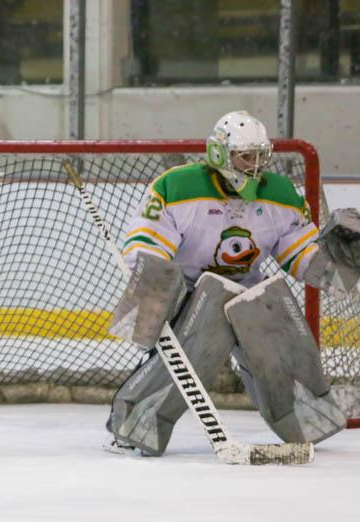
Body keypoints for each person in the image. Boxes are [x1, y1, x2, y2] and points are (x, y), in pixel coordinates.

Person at [106, 110, 351, 456]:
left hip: (248, 286)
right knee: (206, 323)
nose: (254, 165)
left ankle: (306, 421)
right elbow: (146, 250)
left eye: (260, 156)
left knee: (274, 314)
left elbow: (299, 256)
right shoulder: (176, 186)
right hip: (190, 293)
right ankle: (136, 421)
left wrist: (341, 262)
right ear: (220, 154)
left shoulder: (280, 194)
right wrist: (155, 302)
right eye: (245, 156)